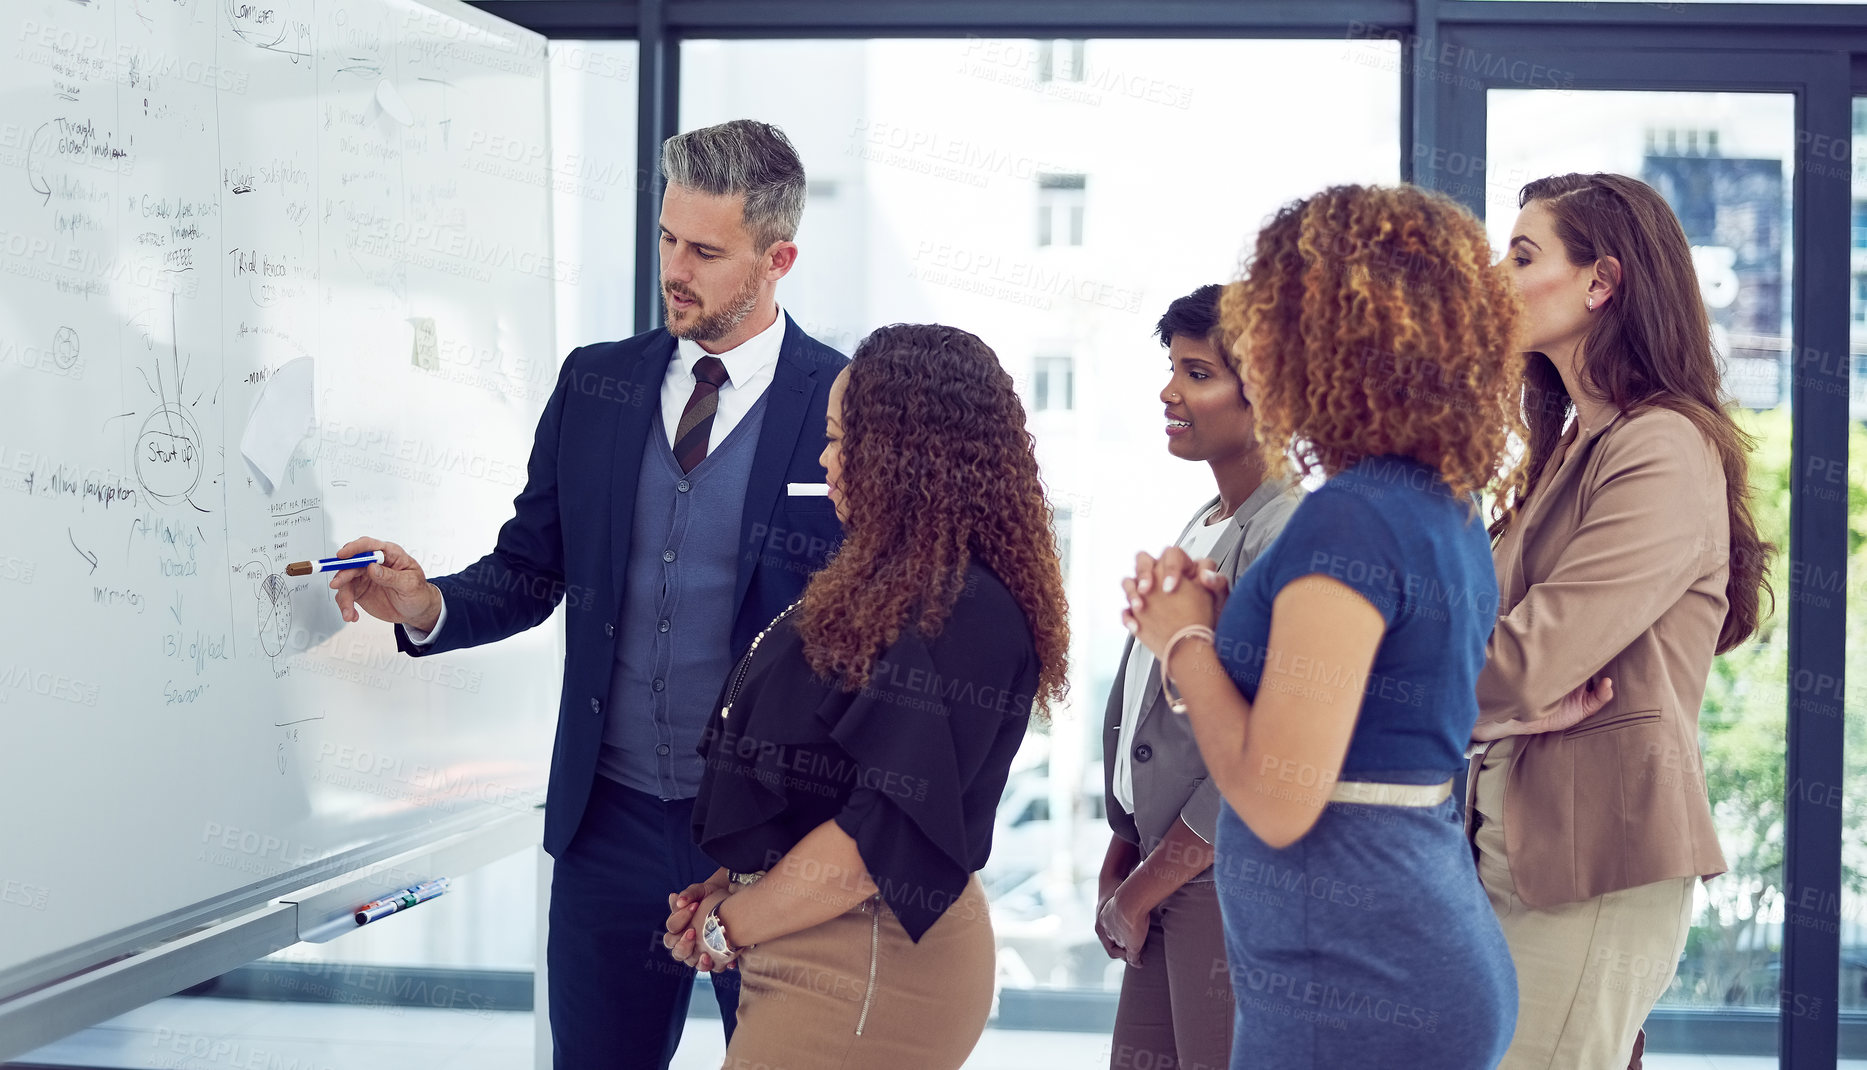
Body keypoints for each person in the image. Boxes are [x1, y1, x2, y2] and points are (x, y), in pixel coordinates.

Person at [323, 119, 849, 1070]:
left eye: (704, 250)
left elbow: (869, 632)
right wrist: (425, 602)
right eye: (664, 238)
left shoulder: (842, 404)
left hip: (773, 835)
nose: (673, 268)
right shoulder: (596, 383)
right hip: (606, 824)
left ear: (779, 258)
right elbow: (531, 567)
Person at [1124, 184, 1528, 1069]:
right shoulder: (1431, 502)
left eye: (1269, 310)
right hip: (1393, 959)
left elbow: (1275, 798)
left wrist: (1184, 641)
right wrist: (1236, 632)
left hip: (1360, 982)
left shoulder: (1349, 520)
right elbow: (1364, 718)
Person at [660, 323, 1070, 1070]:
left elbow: (872, 842)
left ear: (904, 455)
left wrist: (730, 923)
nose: (826, 460)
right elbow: (819, 769)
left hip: (869, 961)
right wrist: (728, 885)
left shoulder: (963, 609)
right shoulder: (887, 587)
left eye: (840, 438)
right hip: (810, 941)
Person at [1471, 172, 1771, 1070]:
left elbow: (1525, 662)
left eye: (1521, 255)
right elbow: (1495, 667)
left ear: (1600, 282)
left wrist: (1393, 696)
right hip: (1511, 851)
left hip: (1588, 863)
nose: (1496, 274)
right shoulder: (1575, 445)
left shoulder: (1661, 445)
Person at [1096, 284, 1299, 1070]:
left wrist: (1140, 888)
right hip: (1163, 866)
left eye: (1197, 372)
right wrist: (1123, 848)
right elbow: (1157, 709)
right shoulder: (1211, 517)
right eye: (1172, 367)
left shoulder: (1284, 530)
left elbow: (1260, 748)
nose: (1169, 392)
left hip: (1219, 879)